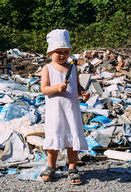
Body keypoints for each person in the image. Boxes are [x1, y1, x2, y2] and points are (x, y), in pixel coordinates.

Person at [39, 29, 90, 185]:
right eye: (58, 52)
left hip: (71, 109)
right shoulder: (47, 69)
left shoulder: (73, 68)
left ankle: (72, 167)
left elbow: (78, 86)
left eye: (65, 52)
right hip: (55, 111)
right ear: (50, 53)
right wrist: (56, 88)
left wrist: (83, 93)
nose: (62, 55)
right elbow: (44, 89)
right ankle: (51, 166)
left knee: (72, 138)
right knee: (54, 138)